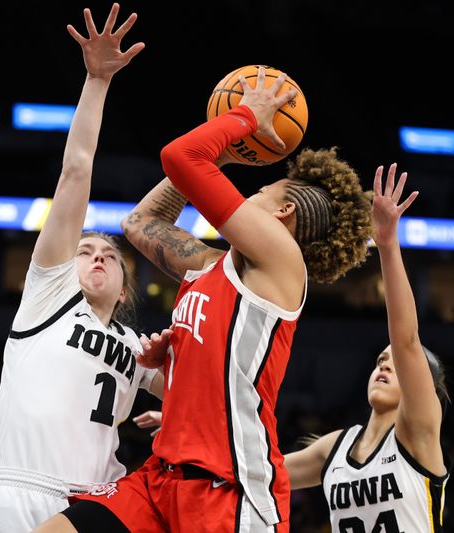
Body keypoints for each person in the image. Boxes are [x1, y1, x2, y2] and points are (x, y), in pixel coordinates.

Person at [36, 67, 374, 532]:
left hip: (229, 489)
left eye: (260, 191)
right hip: (164, 477)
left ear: (283, 211)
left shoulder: (283, 261)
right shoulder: (214, 265)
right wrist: (176, 368)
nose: (248, 194)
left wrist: (243, 118)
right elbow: (140, 223)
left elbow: (181, 156)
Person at [0, 5, 163, 532]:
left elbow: (202, 396)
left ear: (127, 285)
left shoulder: (136, 347)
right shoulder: (47, 297)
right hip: (22, 491)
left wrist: (176, 413)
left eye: (110, 254)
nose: (98, 254)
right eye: (85, 250)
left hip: (97, 505)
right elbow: (76, 171)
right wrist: (97, 81)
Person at [283, 165, 450, 532]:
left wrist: (387, 244)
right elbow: (259, 473)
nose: (385, 365)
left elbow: (405, 340)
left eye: (398, 364)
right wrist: (202, 431)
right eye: (380, 360)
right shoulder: (335, 448)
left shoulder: (419, 431)